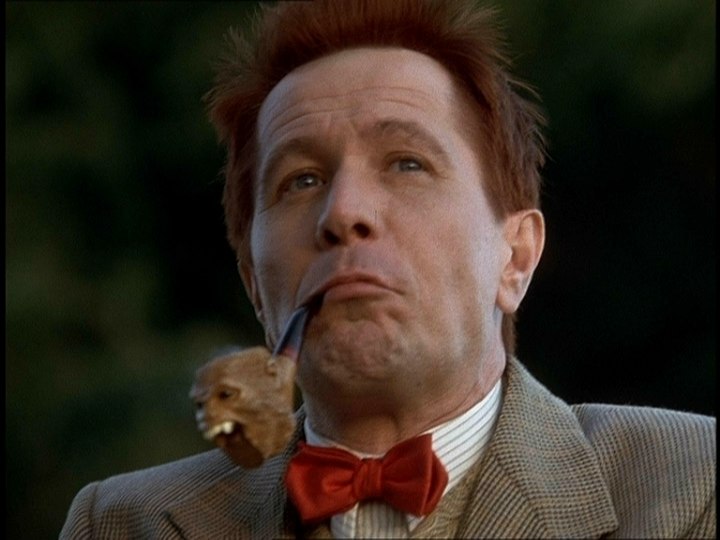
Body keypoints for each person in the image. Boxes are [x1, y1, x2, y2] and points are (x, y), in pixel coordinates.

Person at [61, 1, 715, 538]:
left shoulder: (696, 487)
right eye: (301, 180)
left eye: (407, 163)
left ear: (515, 257)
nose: (343, 212)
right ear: (255, 284)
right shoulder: (120, 523)